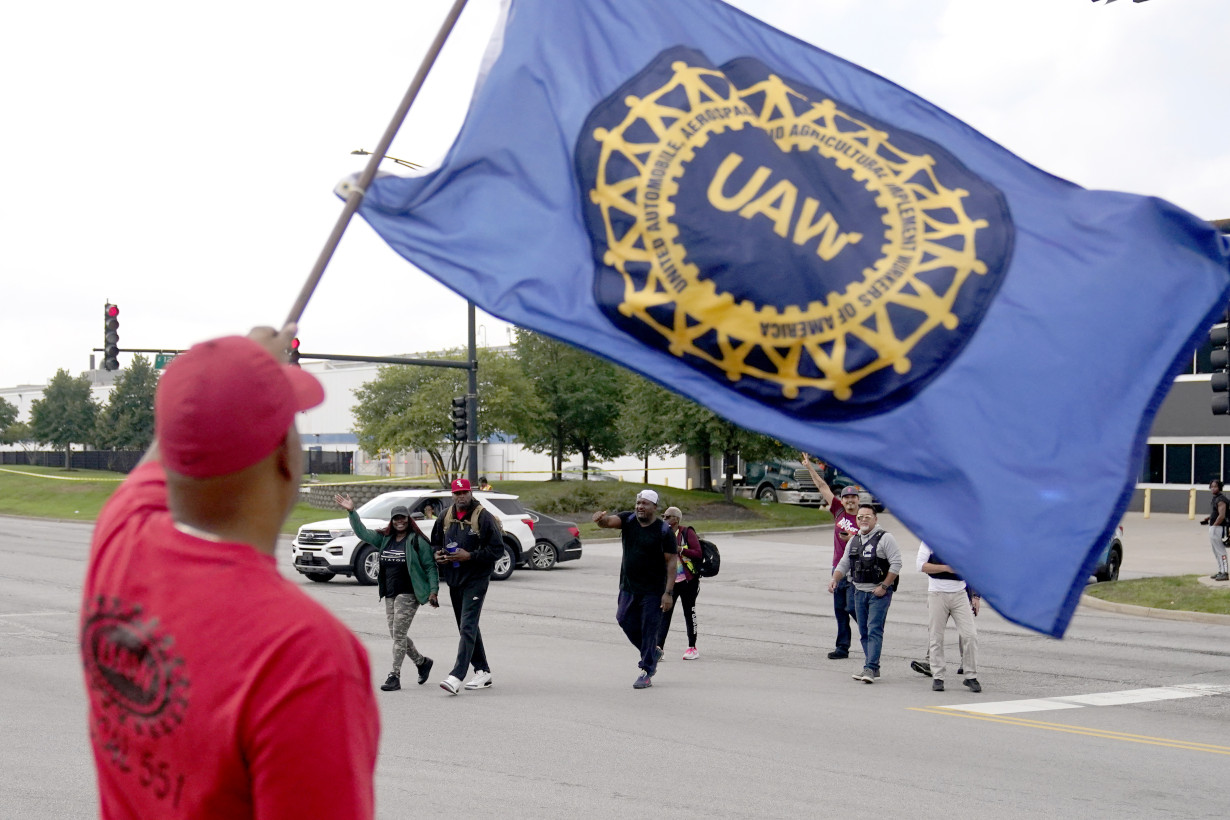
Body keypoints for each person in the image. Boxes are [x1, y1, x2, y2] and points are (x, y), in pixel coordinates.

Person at [79, 327, 379, 819]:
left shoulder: (120, 539)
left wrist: (227, 376)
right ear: (285, 457)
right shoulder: (304, 654)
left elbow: (178, 440)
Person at [335, 493, 439, 691]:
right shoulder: (385, 539)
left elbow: (430, 567)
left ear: (409, 520)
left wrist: (433, 591)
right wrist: (352, 512)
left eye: (403, 517)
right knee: (396, 633)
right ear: (392, 521)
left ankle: (394, 675)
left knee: (398, 633)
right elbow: (362, 533)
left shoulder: (417, 541)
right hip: (390, 592)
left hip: (409, 593)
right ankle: (422, 662)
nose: (400, 521)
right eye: (396, 518)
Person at [593, 489, 678, 689]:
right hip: (628, 587)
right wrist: (600, 520)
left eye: (645, 503)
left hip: (653, 590)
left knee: (649, 630)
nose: (640, 506)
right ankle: (652, 652)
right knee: (623, 619)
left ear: (655, 507)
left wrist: (668, 593)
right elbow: (609, 522)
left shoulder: (663, 531)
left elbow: (672, 563)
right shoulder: (628, 520)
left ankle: (646, 670)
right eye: (638, 503)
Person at [431, 477, 504, 694]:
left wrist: (469, 556)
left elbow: (497, 550)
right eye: (457, 493)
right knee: (466, 627)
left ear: (471, 492)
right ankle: (483, 671)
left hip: (477, 578)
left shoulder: (484, 517)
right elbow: (435, 542)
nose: (461, 496)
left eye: (464, 492)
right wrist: (438, 555)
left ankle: (456, 676)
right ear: (452, 495)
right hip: (454, 579)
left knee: (468, 626)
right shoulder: (445, 515)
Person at [829, 505, 901, 684]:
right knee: (863, 631)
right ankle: (872, 667)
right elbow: (844, 563)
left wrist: (884, 586)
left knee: (874, 628)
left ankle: (869, 667)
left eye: (867, 516)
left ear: (875, 519)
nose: (863, 520)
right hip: (858, 591)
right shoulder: (854, 540)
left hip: (878, 593)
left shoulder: (885, 538)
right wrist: (835, 579)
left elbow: (896, 564)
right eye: (860, 517)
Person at [800, 453, 859, 660]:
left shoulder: (863, 517)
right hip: (838, 569)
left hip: (857, 570)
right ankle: (842, 647)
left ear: (858, 500)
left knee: (854, 607)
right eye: (847, 497)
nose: (850, 500)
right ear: (842, 500)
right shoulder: (838, 511)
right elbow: (823, 487)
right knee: (840, 610)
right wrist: (809, 467)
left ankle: (871, 634)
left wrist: (854, 536)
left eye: (853, 497)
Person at [917, 542, 981, 693]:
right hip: (937, 593)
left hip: (960, 594)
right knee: (936, 637)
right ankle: (938, 676)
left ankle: (970, 675)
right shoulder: (929, 541)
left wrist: (976, 595)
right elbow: (920, 565)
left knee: (970, 635)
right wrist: (946, 568)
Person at [656, 506, 702, 660]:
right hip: (670, 583)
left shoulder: (686, 532)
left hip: (688, 582)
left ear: (676, 519)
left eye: (667, 516)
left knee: (689, 613)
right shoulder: (662, 533)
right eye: (663, 516)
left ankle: (692, 647)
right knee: (664, 614)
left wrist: (681, 549)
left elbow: (698, 552)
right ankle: (659, 648)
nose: (664, 519)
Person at [1199, 479, 1229, 581]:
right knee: (1215, 550)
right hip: (1213, 526)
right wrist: (1209, 519)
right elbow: (1215, 513)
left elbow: (1221, 515)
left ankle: (1225, 572)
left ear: (1219, 487)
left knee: (1220, 550)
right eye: (1211, 486)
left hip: (1218, 528)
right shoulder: (1215, 499)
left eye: (1215, 486)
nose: (1213, 488)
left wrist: (1215, 525)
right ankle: (1220, 571)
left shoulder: (1221, 500)